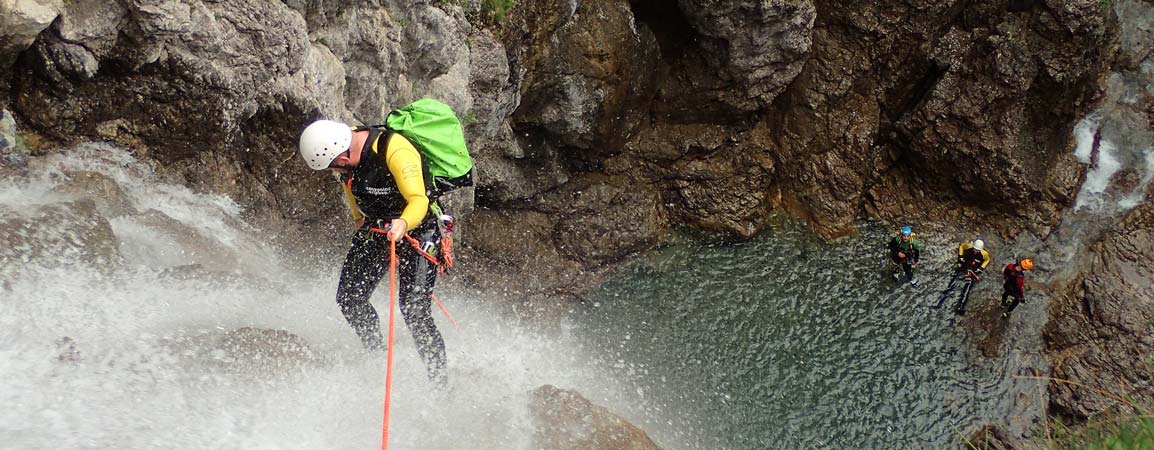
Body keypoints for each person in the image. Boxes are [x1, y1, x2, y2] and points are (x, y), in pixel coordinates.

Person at [299, 118, 447, 386]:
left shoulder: (393, 149)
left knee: (414, 310)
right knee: (350, 299)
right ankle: (376, 354)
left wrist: (403, 224)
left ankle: (439, 382)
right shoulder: (346, 158)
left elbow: (418, 200)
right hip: (377, 229)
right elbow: (350, 185)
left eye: (334, 166)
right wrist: (358, 218)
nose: (334, 172)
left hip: (418, 228)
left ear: (342, 154)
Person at [938, 238, 991, 315]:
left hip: (972, 272)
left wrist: (981, 268)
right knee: (953, 283)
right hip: (964, 268)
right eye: (975, 249)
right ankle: (942, 300)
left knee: (967, 290)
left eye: (978, 250)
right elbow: (962, 247)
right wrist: (961, 257)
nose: (976, 251)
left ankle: (961, 306)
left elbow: (987, 260)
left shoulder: (984, 254)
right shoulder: (968, 246)